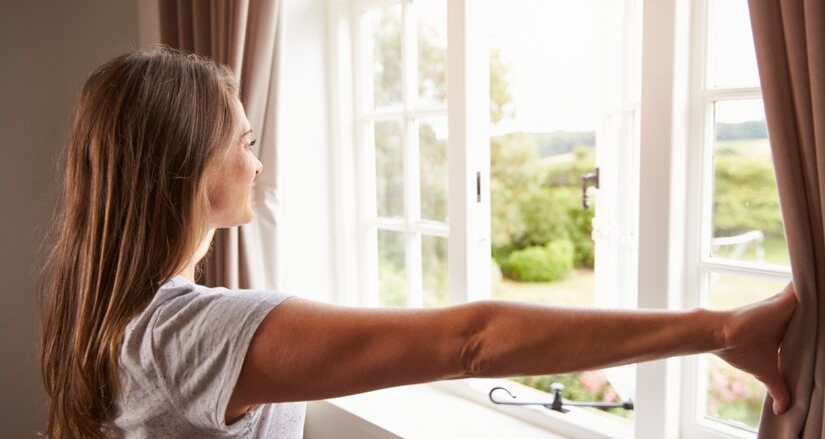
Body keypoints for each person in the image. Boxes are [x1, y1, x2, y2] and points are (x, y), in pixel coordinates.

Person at [39, 46, 797, 438]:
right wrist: (718, 329)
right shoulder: (189, 332)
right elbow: (473, 341)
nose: (258, 160)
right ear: (187, 165)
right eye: (244, 140)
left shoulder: (107, 304)